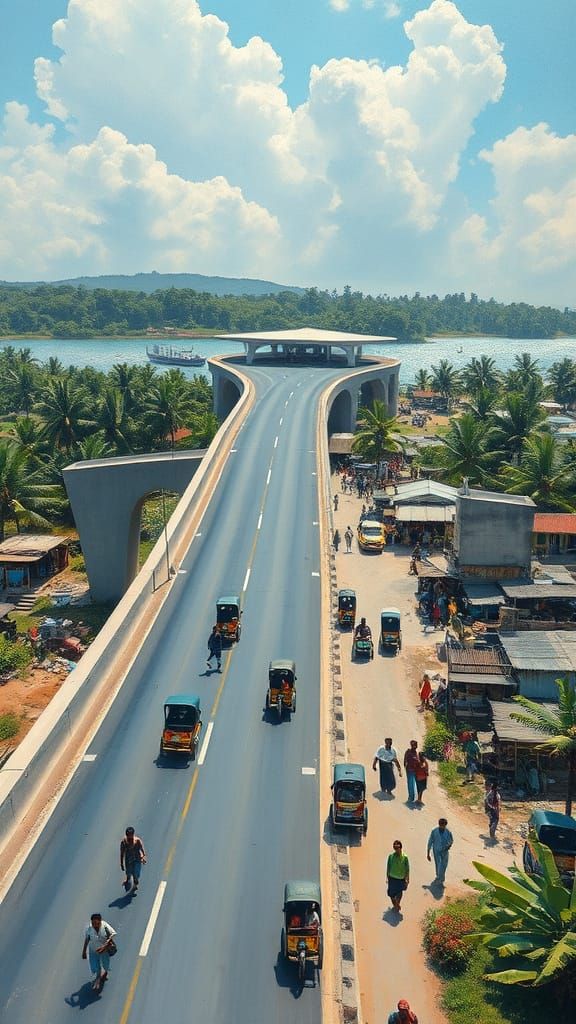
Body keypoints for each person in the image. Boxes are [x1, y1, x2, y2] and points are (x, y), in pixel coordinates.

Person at [82, 913, 116, 991]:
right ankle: (98, 978)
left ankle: (104, 973)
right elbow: (87, 939)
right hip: (93, 949)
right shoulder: (89, 928)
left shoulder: (105, 926)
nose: (94, 925)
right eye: (93, 923)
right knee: (95, 964)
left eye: (96, 923)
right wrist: (84, 951)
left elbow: (112, 934)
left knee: (105, 963)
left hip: (104, 949)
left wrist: (105, 945)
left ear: (100, 921)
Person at [427, 818, 453, 885]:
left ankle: (441, 876)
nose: (442, 827)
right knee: (438, 864)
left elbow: (451, 840)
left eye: (444, 825)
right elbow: (430, 842)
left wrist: (449, 845)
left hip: (445, 851)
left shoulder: (448, 832)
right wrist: (428, 853)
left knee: (444, 865)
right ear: (439, 824)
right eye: (441, 825)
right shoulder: (434, 831)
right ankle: (439, 877)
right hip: (436, 851)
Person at [120, 826, 147, 892]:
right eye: (128, 835)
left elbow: (141, 849)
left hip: (137, 859)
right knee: (128, 872)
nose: (129, 837)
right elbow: (122, 853)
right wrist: (121, 863)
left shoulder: (137, 841)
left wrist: (143, 856)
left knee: (136, 874)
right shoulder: (124, 843)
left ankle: (135, 884)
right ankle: (128, 879)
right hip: (128, 860)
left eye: (130, 835)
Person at [386, 840, 409, 912]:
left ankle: (397, 903)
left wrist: (407, 879)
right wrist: (387, 877)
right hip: (392, 878)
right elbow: (388, 867)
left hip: (401, 879)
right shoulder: (391, 856)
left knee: (399, 893)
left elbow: (407, 869)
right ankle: (396, 904)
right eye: (395, 847)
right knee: (391, 894)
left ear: (401, 847)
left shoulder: (405, 857)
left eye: (397, 847)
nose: (396, 849)